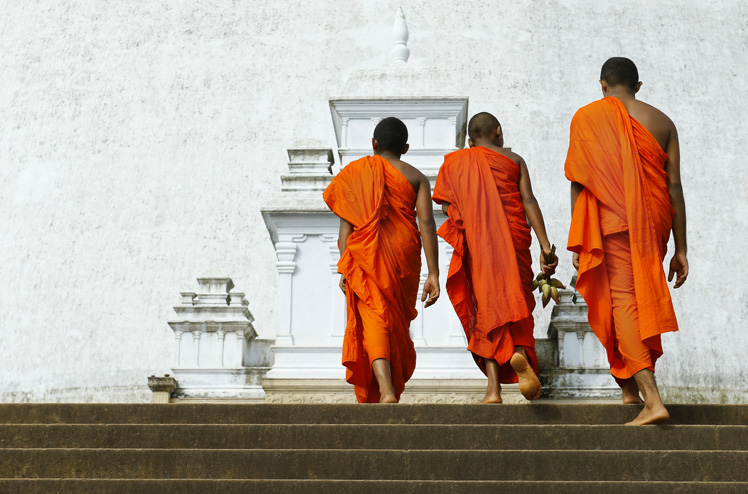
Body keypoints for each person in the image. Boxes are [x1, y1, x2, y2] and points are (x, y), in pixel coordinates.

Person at [566, 57, 688, 425]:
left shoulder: (587, 117)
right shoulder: (663, 122)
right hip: (652, 221)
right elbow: (674, 186)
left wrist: (579, 235)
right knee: (638, 300)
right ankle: (629, 391)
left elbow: (579, 180)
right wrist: (682, 248)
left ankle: (652, 400)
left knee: (622, 304)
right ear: (638, 85)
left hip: (612, 222)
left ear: (603, 84)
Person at [433, 112, 557, 403]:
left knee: (484, 310)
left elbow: (447, 209)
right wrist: (545, 246)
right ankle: (518, 353)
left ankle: (493, 390)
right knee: (516, 305)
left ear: (469, 141)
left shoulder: (455, 163)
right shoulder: (514, 160)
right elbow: (528, 201)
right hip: (514, 244)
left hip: (479, 247)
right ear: (498, 132)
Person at [323, 117, 440, 403]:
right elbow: (426, 223)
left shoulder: (356, 173)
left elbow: (346, 228)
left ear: (374, 144)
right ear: (406, 147)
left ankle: (386, 390)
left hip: (366, 256)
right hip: (404, 255)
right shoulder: (417, 177)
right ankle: (388, 389)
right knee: (392, 320)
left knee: (375, 317)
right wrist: (434, 274)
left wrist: (347, 265)